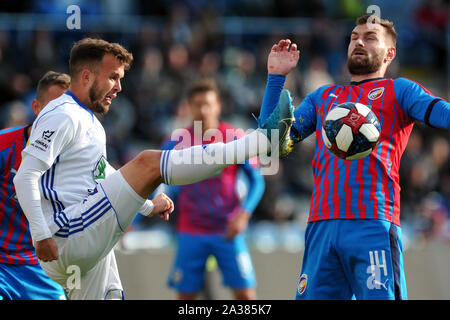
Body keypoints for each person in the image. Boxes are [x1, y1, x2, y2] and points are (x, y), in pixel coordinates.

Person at [13, 38, 295, 299]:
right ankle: (260, 141)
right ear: (86, 76)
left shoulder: (88, 122)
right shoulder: (62, 114)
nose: (119, 87)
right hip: (65, 235)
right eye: (113, 77)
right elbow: (25, 176)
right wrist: (41, 236)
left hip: (79, 238)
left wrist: (147, 206)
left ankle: (261, 140)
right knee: (148, 162)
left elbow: (101, 174)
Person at [258, 15, 449, 300]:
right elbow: (270, 143)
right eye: (354, 37)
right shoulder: (323, 97)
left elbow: (443, 114)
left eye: (370, 38)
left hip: (372, 224)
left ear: (390, 53)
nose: (358, 41)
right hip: (321, 226)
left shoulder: (400, 90)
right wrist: (275, 79)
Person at [164, 79, 265, 300]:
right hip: (191, 229)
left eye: (207, 104)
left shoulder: (234, 138)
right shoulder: (175, 142)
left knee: (246, 296)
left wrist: (244, 215)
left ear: (218, 105)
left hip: (227, 229)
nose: (203, 110)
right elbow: (158, 183)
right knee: (186, 298)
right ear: (188, 106)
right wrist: (138, 218)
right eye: (197, 104)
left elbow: (257, 181)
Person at [0, 71, 70, 300]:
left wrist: (146, 205)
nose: (60, 117)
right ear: (36, 107)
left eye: (67, 110)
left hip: (40, 267)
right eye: (53, 108)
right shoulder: (4, 145)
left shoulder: (76, 157)